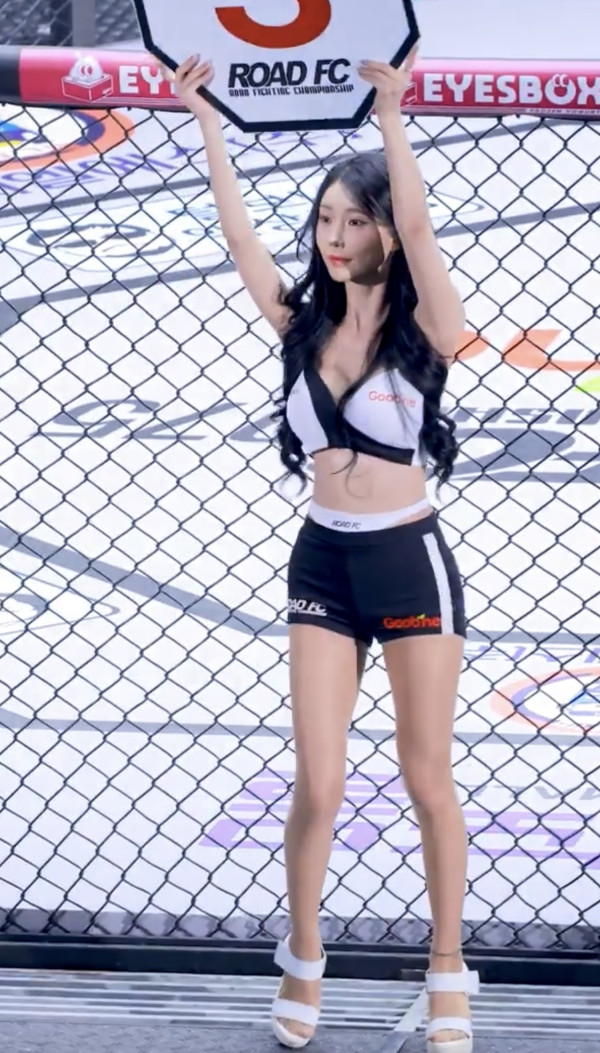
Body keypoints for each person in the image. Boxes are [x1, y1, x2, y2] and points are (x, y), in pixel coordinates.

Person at [171, 48, 479, 1053]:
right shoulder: (299, 325)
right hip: (324, 563)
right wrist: (206, 119)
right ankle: (302, 953)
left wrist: (392, 120)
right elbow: (238, 238)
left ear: (386, 228)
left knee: (426, 777)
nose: (336, 239)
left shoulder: (429, 328)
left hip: (408, 559)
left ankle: (447, 968)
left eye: (355, 222)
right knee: (320, 782)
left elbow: (423, 230)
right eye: (325, 222)